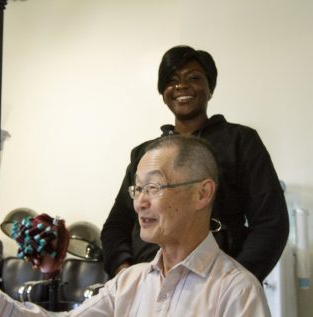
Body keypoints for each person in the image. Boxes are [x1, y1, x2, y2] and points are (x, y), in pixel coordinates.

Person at [0, 135, 271, 316]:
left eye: (154, 187)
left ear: (203, 193)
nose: (140, 202)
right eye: (137, 188)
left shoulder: (237, 292)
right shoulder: (130, 283)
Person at [101, 45, 289, 282]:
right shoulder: (145, 154)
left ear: (210, 88)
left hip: (217, 284)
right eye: (172, 80)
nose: (181, 86)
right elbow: (116, 226)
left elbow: (271, 222)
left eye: (194, 78)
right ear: (163, 92)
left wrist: (235, 282)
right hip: (149, 285)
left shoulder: (241, 142)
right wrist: (126, 275)